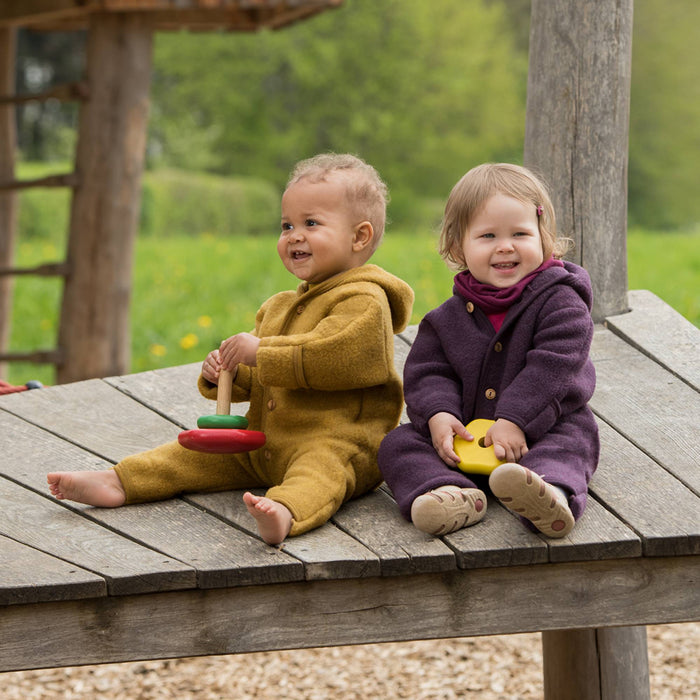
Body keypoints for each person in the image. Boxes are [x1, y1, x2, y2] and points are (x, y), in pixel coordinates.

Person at [48, 153, 414, 545]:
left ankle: (286, 512)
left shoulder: (364, 301)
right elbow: (262, 380)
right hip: (265, 443)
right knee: (190, 453)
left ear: (359, 236)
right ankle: (121, 481)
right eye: (286, 224)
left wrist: (261, 353)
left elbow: (338, 358)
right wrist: (230, 372)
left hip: (339, 440)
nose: (294, 235)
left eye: (311, 223)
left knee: (320, 472)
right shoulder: (278, 307)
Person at [378, 163, 599, 538]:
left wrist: (516, 420)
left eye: (520, 233)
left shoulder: (561, 303)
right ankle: (453, 493)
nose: (506, 246)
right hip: (466, 437)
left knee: (570, 444)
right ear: (457, 246)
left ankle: (548, 493)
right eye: (487, 236)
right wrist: (439, 415)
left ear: (544, 237)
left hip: (542, 428)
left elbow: (554, 367)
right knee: (398, 443)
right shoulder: (446, 319)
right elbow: (429, 372)